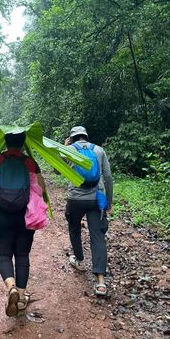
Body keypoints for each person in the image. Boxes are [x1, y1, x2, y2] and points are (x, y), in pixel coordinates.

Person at [0, 132, 46, 317]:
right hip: (25, 213)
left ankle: (11, 288)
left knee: (3, 252)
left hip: (0, 212)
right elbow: (41, 189)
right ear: (24, 143)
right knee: (22, 253)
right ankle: (22, 297)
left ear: (6, 142)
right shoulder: (30, 162)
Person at [64, 126, 113, 296]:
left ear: (72, 137)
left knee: (74, 228)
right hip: (96, 199)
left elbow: (56, 169)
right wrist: (109, 202)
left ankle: (79, 260)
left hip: (75, 199)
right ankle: (100, 282)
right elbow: (108, 177)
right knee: (97, 236)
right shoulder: (99, 150)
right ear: (86, 136)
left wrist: (64, 147)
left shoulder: (68, 150)